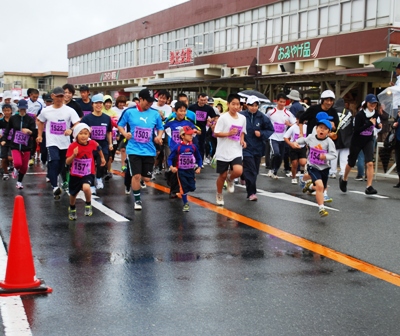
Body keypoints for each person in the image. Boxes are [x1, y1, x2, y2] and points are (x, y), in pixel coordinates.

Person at [117, 89, 164, 210]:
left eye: (151, 102)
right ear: (141, 99)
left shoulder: (155, 113)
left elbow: (160, 128)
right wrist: (124, 133)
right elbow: (120, 125)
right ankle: (137, 201)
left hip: (149, 150)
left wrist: (158, 137)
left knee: (146, 178)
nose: (149, 104)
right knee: (137, 176)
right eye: (147, 101)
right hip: (134, 149)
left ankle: (129, 173)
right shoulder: (129, 112)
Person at [37, 87, 80, 200]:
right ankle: (55, 186)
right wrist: (40, 135)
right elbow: (40, 121)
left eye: (62, 96)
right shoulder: (46, 110)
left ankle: (53, 175)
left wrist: (71, 129)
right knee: (54, 161)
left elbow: (77, 123)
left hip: (65, 143)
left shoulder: (69, 110)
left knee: (62, 165)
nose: (60, 98)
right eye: (58, 96)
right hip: (51, 142)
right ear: (52, 96)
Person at [293, 118, 337, 217]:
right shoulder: (311, 137)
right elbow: (303, 140)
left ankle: (308, 185)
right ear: (316, 128)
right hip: (313, 165)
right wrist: (296, 142)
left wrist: (325, 156)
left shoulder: (329, 142)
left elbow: (334, 155)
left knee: (321, 187)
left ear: (328, 132)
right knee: (320, 186)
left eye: (325, 129)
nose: (322, 130)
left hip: (324, 168)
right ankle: (321, 208)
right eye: (320, 127)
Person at [339, 94, 382, 195]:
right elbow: (356, 130)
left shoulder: (375, 114)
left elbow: (374, 125)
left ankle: (369, 187)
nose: (373, 105)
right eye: (371, 103)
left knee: (370, 162)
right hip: (357, 141)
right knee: (351, 163)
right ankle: (344, 179)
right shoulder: (360, 115)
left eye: (375, 103)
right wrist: (369, 124)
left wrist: (377, 125)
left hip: (368, 140)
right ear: (366, 103)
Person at [66, 123, 106, 220]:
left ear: (89, 134)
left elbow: (99, 148)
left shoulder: (92, 143)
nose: (83, 136)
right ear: (76, 135)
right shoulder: (73, 146)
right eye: (81, 133)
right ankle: (72, 208)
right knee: (73, 194)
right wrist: (74, 156)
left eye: (86, 133)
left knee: (86, 187)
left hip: (88, 172)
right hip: (75, 173)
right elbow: (67, 162)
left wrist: (102, 158)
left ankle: (88, 204)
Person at [214, 93, 247, 206]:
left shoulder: (242, 118)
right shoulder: (223, 117)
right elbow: (216, 133)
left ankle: (230, 179)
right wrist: (228, 133)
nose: (236, 107)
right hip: (223, 150)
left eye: (238, 104)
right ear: (228, 104)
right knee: (222, 176)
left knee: (238, 171)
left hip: (236, 149)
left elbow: (242, 132)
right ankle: (219, 194)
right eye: (233, 104)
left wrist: (242, 140)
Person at [163, 101, 200, 198]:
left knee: (183, 171)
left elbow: (198, 129)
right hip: (175, 149)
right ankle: (173, 190)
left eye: (184, 111)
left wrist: (196, 131)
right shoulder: (171, 122)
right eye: (180, 111)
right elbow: (161, 127)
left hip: (185, 150)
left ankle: (179, 186)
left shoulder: (188, 122)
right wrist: (159, 136)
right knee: (176, 170)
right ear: (175, 111)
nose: (182, 113)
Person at [240, 95, 274, 200]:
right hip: (245, 147)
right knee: (251, 171)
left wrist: (261, 133)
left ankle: (243, 176)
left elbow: (270, 130)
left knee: (254, 171)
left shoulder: (262, 117)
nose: (253, 108)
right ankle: (251, 193)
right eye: (251, 105)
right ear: (247, 105)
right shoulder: (241, 116)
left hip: (258, 148)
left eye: (255, 105)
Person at [81, 93, 113, 194]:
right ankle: (91, 184)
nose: (98, 105)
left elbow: (109, 132)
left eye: (100, 103)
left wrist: (110, 143)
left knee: (102, 163)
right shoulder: (87, 118)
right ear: (92, 105)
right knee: (89, 165)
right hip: (90, 145)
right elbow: (82, 132)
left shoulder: (107, 118)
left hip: (103, 145)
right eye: (96, 103)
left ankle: (98, 178)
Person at [1, 100, 36, 189]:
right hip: (15, 145)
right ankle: (15, 170)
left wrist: (30, 131)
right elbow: (8, 130)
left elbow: (35, 133)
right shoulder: (14, 118)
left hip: (26, 146)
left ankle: (19, 182)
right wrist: (4, 139)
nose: (22, 110)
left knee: (24, 167)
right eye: (21, 108)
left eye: (24, 108)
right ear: (18, 108)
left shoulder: (30, 119)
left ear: (26, 108)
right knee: (17, 163)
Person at [167, 126, 202, 211]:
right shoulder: (178, 147)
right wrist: (172, 167)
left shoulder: (193, 147)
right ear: (182, 136)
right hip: (181, 171)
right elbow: (170, 158)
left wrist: (199, 167)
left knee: (192, 187)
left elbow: (199, 158)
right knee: (184, 187)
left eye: (192, 134)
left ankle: (184, 192)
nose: (191, 136)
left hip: (190, 171)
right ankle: (185, 203)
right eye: (189, 134)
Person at [266, 93, 296, 179]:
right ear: (277, 101)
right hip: (273, 137)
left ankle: (275, 171)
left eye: (284, 102)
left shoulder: (288, 113)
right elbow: (265, 121)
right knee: (276, 153)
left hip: (283, 138)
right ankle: (271, 168)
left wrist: (288, 124)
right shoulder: (271, 112)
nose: (282, 104)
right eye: (280, 101)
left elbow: (295, 124)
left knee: (281, 156)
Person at [329, 98, 353, 179]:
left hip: (334, 137)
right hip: (346, 138)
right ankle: (343, 172)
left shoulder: (332, 111)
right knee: (344, 157)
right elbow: (351, 126)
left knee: (333, 155)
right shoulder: (349, 113)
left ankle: (333, 172)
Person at [189, 93, 216, 163]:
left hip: (203, 128)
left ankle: (200, 161)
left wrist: (210, 120)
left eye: (204, 100)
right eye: (201, 100)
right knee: (195, 144)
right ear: (198, 99)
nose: (203, 102)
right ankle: (193, 160)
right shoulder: (192, 107)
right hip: (193, 128)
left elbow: (214, 116)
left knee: (201, 145)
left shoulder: (208, 108)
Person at [284, 111, 307, 184]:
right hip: (294, 147)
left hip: (302, 147)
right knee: (294, 163)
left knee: (303, 162)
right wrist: (291, 144)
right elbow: (285, 137)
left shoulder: (306, 127)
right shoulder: (293, 127)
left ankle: (302, 174)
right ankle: (293, 177)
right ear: (297, 119)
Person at [26, 88, 43, 166]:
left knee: (34, 142)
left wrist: (37, 116)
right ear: (30, 95)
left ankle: (32, 156)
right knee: (27, 141)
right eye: (34, 97)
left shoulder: (40, 104)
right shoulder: (26, 103)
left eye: (37, 97)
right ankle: (26, 155)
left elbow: (42, 115)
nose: (35, 98)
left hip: (35, 126)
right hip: (27, 125)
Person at [0, 104, 13, 180]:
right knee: (4, 158)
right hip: (4, 141)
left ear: (11, 111)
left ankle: (12, 165)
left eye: (8, 110)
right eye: (5, 111)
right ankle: (5, 173)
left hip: (13, 141)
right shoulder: (1, 121)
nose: (7, 112)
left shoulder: (14, 120)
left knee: (10, 157)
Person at [392, 107, 400, 187]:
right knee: (398, 161)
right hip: (397, 141)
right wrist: (394, 125)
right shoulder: (398, 116)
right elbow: (394, 126)